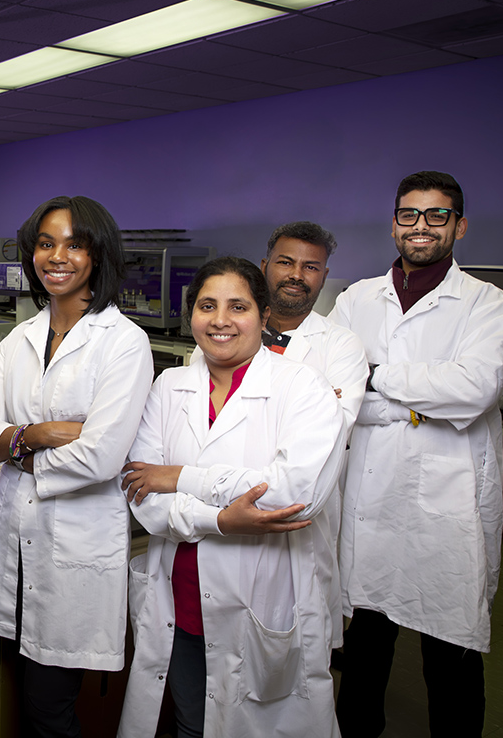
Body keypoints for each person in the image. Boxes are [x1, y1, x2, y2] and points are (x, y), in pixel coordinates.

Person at [118, 256, 343, 738]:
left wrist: (180, 476)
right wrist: (222, 521)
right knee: (189, 722)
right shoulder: (169, 385)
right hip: (177, 597)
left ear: (264, 315)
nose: (220, 320)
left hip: (262, 596)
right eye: (207, 305)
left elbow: (293, 492)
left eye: (237, 306)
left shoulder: (303, 388)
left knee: (262, 725)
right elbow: (142, 491)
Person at [331, 171, 503, 738]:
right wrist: (414, 402)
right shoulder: (355, 299)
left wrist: (376, 379)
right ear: (394, 223)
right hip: (368, 501)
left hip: (446, 512)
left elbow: (474, 387)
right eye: (410, 214)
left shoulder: (489, 306)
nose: (422, 226)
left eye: (437, 215)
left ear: (459, 226)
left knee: (451, 659)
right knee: (363, 656)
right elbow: (331, 390)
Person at [0, 195, 154, 737]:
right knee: (28, 699)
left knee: (50, 708)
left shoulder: (124, 343)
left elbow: (100, 456)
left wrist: (16, 447)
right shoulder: (19, 338)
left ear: (98, 254)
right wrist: (37, 436)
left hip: (75, 542)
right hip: (15, 539)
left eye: (75, 244)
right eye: (46, 243)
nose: (57, 256)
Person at [259, 221, 367, 650]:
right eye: (285, 262)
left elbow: (330, 437)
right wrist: (310, 401)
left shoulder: (342, 346)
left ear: (323, 276)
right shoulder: (227, 329)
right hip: (223, 510)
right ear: (265, 265)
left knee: (297, 654)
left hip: (303, 512)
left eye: (311, 267)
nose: (296, 275)